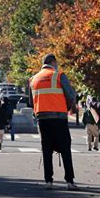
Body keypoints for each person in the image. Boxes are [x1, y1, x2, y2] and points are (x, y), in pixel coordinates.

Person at [29, 53, 78, 191]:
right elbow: (71, 95)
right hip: (59, 118)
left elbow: (30, 101)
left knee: (46, 149)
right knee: (65, 149)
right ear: (53, 62)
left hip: (42, 118)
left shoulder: (33, 79)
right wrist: (66, 108)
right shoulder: (59, 75)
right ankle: (69, 181)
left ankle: (48, 181)